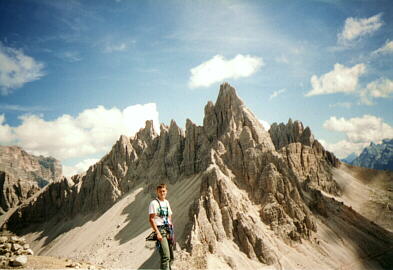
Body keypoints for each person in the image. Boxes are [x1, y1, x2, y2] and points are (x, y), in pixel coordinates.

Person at [149, 184, 174, 270]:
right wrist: (158, 233)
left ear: (166, 191)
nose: (162, 193)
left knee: (171, 256)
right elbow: (151, 219)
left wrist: (171, 228)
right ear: (157, 192)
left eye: (163, 191)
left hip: (168, 230)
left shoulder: (166, 202)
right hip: (160, 230)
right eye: (160, 191)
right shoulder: (154, 203)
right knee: (165, 256)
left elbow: (169, 215)